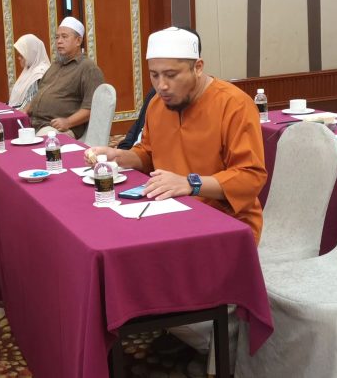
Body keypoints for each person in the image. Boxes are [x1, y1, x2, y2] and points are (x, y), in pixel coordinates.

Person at [86, 27, 267, 373]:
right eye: (154, 75)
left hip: (226, 225)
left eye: (171, 75)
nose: (162, 85)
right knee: (106, 253)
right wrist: (120, 157)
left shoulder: (233, 104)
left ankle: (201, 340)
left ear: (198, 67)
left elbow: (251, 176)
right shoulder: (158, 105)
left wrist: (191, 184)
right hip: (169, 215)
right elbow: (149, 154)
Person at [26, 17, 105, 138]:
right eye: (57, 37)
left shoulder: (88, 68)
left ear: (78, 41)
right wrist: (24, 111)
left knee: (42, 143)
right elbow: (40, 93)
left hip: (57, 128)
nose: (59, 41)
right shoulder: (55, 65)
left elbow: (93, 108)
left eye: (64, 37)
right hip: (34, 122)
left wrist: (68, 122)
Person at [8, 33, 50, 110]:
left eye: (21, 55)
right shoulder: (28, 69)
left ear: (31, 53)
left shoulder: (39, 74)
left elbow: (30, 104)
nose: (18, 58)